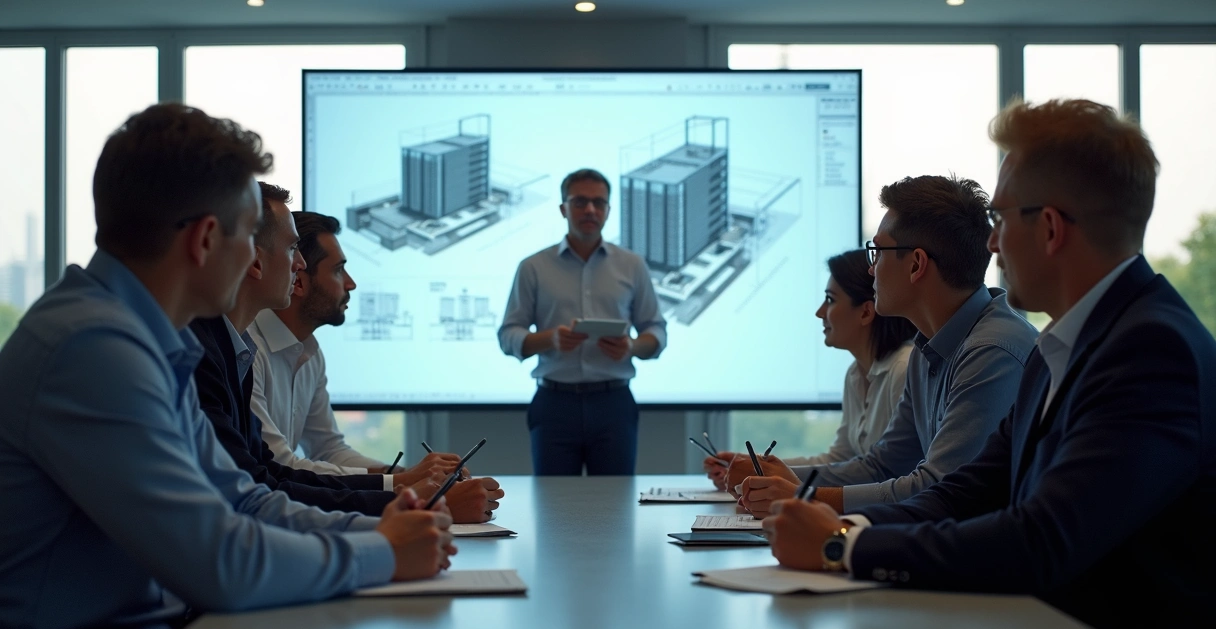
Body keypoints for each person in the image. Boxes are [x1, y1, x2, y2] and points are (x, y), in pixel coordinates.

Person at [763, 99, 1216, 629]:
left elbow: (1042, 539)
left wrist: (842, 544)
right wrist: (840, 528)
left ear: (1049, 229)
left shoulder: (1149, 350)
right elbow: (966, 491)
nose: (991, 242)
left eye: (999, 219)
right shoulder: (1066, 344)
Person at [0, 104, 454, 629]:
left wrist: (384, 526)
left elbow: (242, 499)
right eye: (248, 236)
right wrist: (383, 552)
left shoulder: (145, 339)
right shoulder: (92, 350)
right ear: (206, 240)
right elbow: (222, 565)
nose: (262, 262)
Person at [732, 175, 1038, 518]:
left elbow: (940, 489)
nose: (870, 267)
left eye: (877, 251)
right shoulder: (929, 348)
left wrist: (806, 496)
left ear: (916, 264)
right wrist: (775, 480)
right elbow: (883, 466)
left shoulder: (991, 351)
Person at [190, 182, 473, 518]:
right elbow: (268, 480)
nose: (350, 283)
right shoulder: (223, 352)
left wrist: (403, 482)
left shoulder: (262, 348)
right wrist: (406, 495)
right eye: (293, 250)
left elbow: (305, 459)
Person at [248, 210, 505, 522]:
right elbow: (282, 465)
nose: (352, 284)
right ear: (299, 281)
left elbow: (329, 450)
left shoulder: (310, 351)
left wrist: (408, 476)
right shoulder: (248, 350)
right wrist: (402, 484)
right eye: (339, 270)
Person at [498, 168, 667, 475]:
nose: (590, 209)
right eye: (580, 202)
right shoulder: (533, 267)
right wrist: (550, 339)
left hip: (614, 402)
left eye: (598, 203)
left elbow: (656, 330)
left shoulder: (632, 265)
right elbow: (508, 335)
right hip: (554, 403)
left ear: (608, 210)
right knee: (553, 509)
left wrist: (630, 346)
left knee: (616, 508)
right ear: (563, 208)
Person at [705, 249, 916, 491]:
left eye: (830, 300)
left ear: (866, 312)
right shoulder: (855, 374)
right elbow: (839, 460)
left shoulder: (904, 369)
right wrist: (753, 465)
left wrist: (764, 472)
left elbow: (883, 471)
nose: (819, 313)